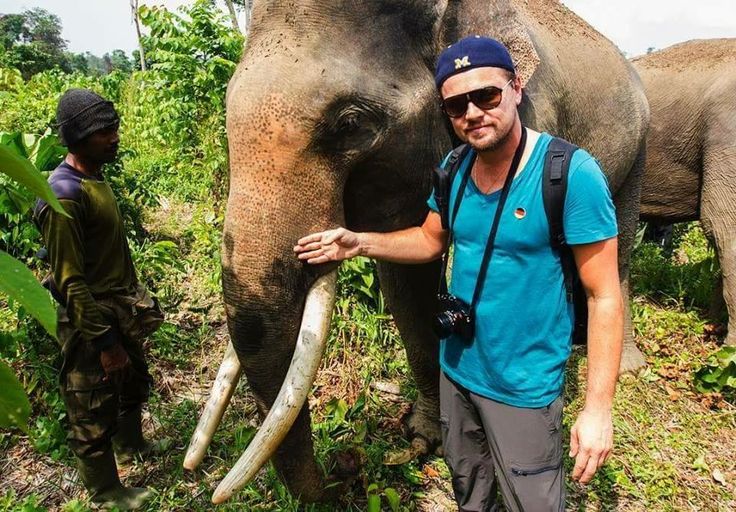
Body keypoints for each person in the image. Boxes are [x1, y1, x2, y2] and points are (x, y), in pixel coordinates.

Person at [293, 36, 622, 511]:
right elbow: (429, 241)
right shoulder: (454, 168)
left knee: (532, 501)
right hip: (457, 371)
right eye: (456, 104)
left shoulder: (569, 174)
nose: (473, 112)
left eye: (486, 95)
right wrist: (358, 243)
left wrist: (597, 410)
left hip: (523, 388)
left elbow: (604, 296)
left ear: (516, 87)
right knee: (471, 492)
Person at [34, 89, 165, 510]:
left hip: (117, 309)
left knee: (132, 382)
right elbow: (70, 283)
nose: (114, 136)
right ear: (77, 138)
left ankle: (130, 446)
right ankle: (107, 492)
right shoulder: (64, 196)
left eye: (114, 127)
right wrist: (105, 343)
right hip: (89, 319)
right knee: (89, 406)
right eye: (104, 131)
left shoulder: (91, 177)